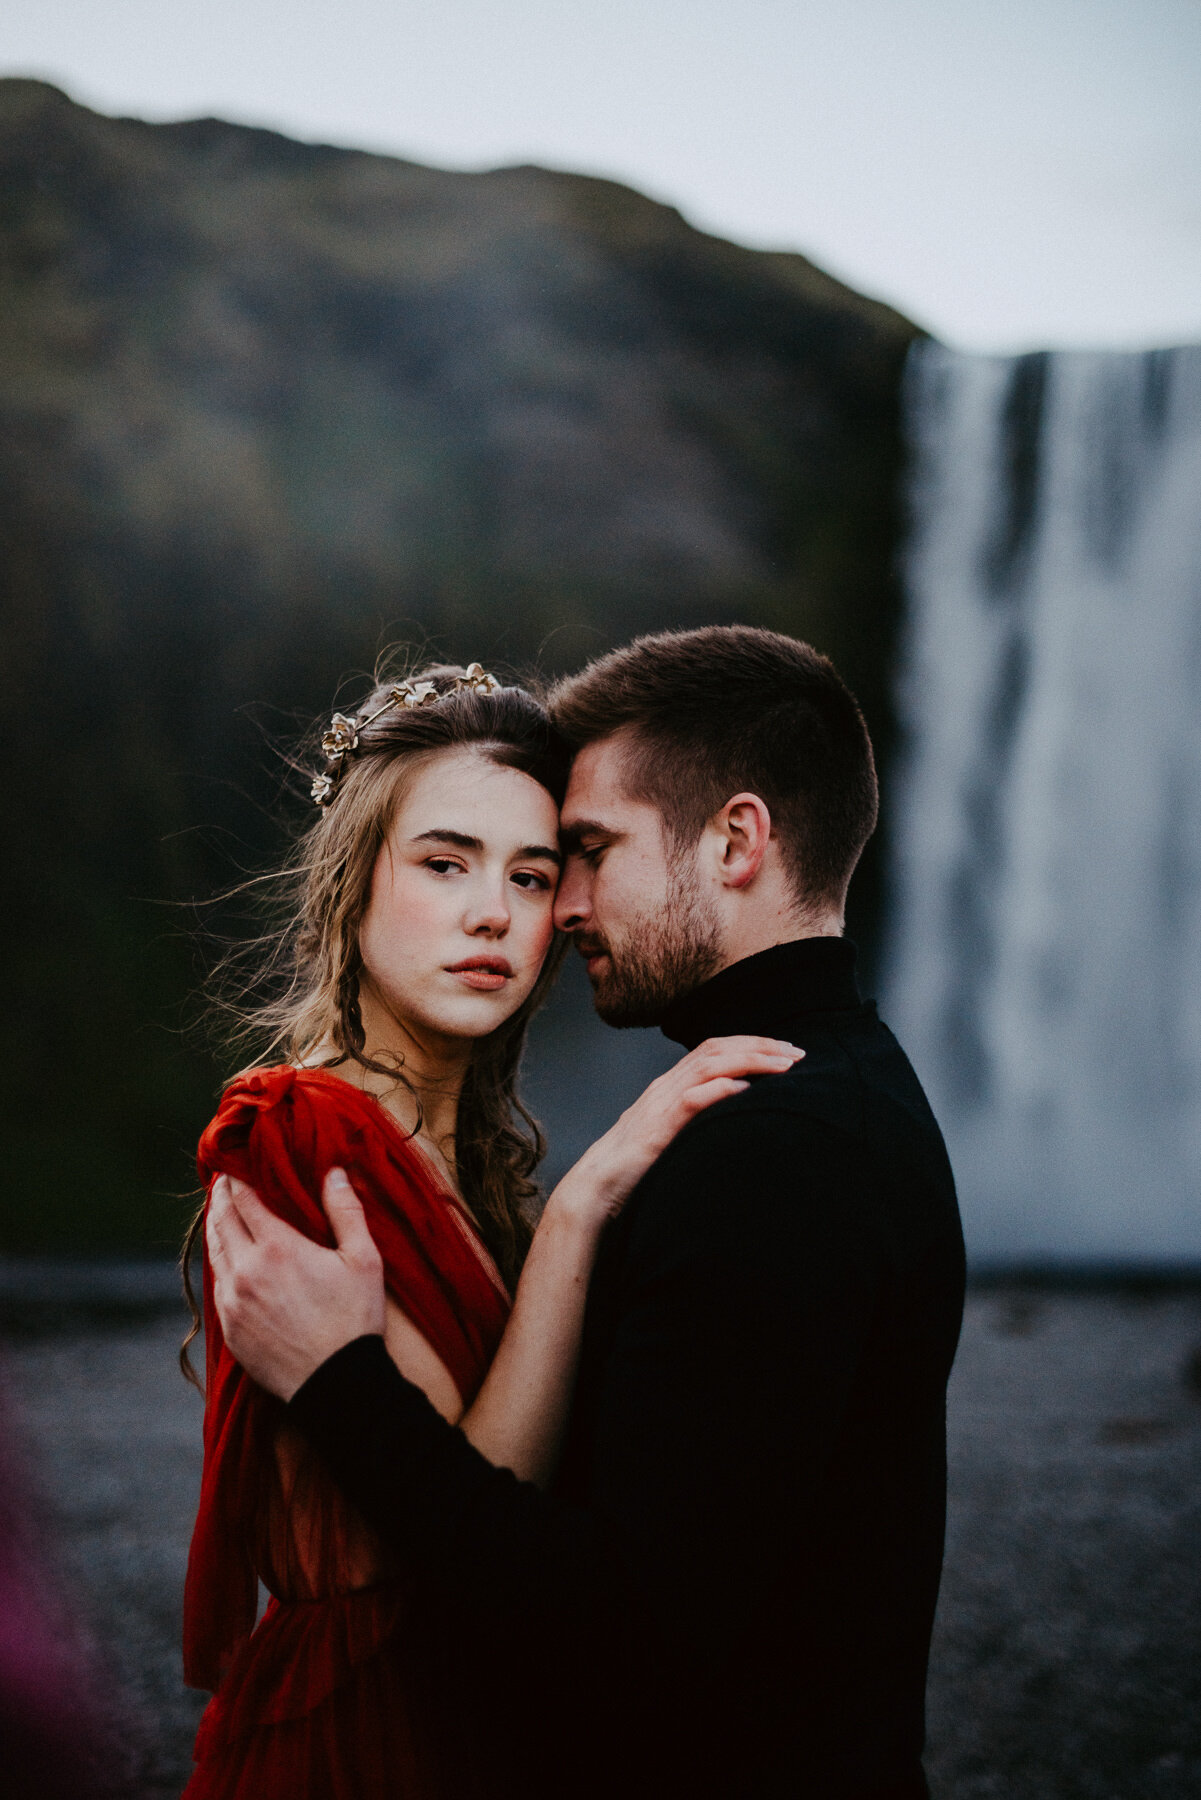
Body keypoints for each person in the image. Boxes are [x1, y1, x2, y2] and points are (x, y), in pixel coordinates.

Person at [208, 625, 967, 1800]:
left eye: (569, 856)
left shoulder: (772, 1141)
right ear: (354, 879)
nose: (546, 909)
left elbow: (619, 1619)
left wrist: (344, 1380)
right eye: (450, 863)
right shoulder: (812, 1095)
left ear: (736, 840)